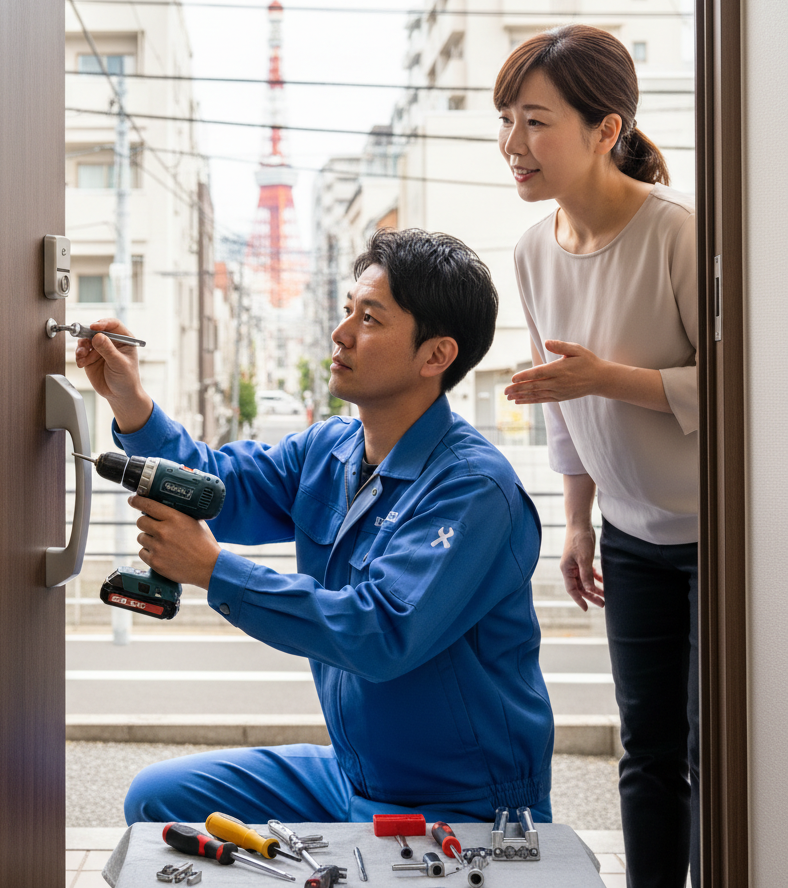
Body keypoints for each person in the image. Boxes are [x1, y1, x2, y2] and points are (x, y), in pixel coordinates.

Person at [76, 228, 554, 827]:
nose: (342, 332)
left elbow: (382, 632)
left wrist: (212, 569)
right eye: (348, 310)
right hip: (354, 774)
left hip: (463, 804)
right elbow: (216, 485)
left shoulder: (473, 489)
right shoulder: (331, 447)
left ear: (436, 355)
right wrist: (131, 402)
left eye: (371, 319)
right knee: (157, 797)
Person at [496, 25, 698, 888]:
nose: (514, 145)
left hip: (721, 535)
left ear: (605, 130)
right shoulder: (535, 250)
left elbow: (741, 389)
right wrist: (576, 522)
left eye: (536, 121)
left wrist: (604, 376)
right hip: (630, 536)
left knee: (723, 740)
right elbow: (563, 405)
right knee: (646, 747)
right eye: (507, 120)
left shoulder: (678, 234)